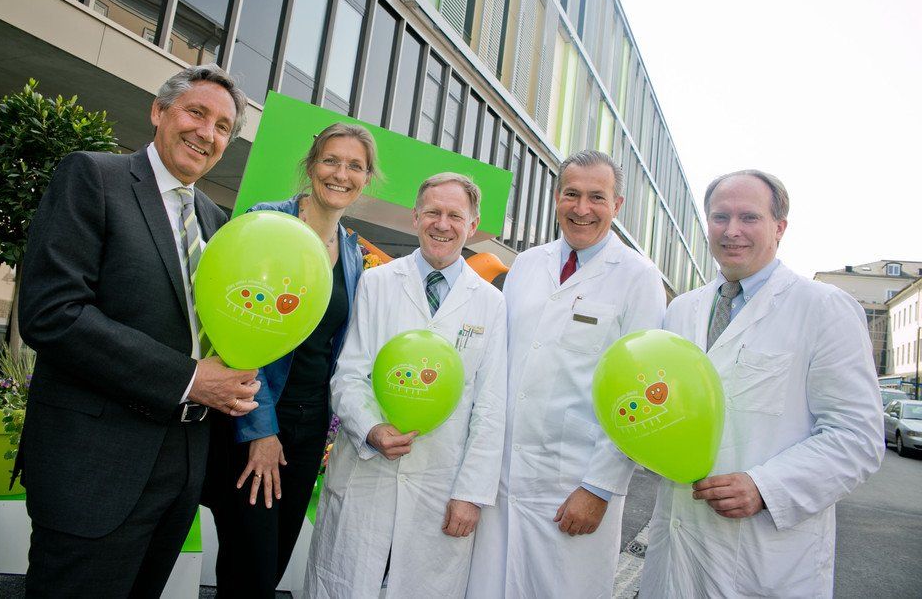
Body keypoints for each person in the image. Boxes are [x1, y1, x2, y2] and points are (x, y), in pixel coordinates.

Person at [17, 64, 261, 597]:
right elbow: (52, 313)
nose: (207, 133)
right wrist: (189, 379)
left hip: (183, 460)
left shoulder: (216, 220)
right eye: (196, 113)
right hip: (96, 462)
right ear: (159, 110)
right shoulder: (92, 176)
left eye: (223, 127)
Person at [641, 170, 884, 597]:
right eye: (720, 217)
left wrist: (766, 487)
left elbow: (857, 436)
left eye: (749, 217)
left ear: (779, 227)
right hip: (679, 540)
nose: (731, 231)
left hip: (764, 557)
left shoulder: (823, 308)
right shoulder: (681, 310)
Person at [467, 150, 666, 598]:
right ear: (556, 197)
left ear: (617, 205)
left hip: (573, 483)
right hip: (502, 477)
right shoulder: (527, 265)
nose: (582, 208)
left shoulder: (638, 278)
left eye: (597, 197)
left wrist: (599, 487)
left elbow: (639, 396)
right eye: (572, 194)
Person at [303, 173, 507, 598]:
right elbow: (349, 373)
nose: (442, 224)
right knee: (347, 583)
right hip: (367, 472)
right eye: (432, 212)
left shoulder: (491, 303)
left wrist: (470, 494)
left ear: (473, 226)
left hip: (440, 483)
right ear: (415, 217)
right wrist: (371, 429)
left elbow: (490, 406)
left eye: (455, 216)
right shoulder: (377, 282)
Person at [204, 123, 382, 596]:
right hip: (257, 416)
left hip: (309, 424)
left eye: (355, 166)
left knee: (275, 557)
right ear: (311, 165)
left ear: (367, 178)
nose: (341, 174)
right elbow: (240, 332)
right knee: (251, 569)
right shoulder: (267, 222)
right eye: (331, 160)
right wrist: (260, 431)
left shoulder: (352, 252)